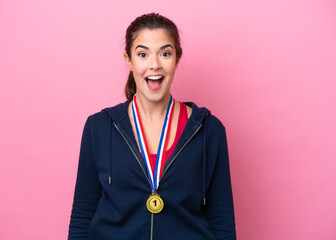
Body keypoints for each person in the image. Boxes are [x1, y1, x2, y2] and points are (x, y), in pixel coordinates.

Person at [68, 13, 236, 240]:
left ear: (177, 59)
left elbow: (221, 220)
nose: (154, 65)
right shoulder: (98, 128)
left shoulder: (209, 130)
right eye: (143, 54)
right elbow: (83, 215)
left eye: (165, 53)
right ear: (129, 60)